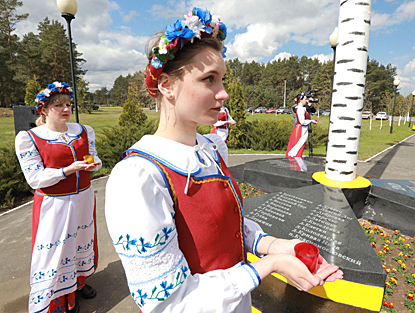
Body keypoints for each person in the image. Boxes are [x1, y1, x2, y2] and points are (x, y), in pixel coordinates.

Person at [105, 8, 342, 313]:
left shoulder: (208, 150)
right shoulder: (138, 177)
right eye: (209, 80)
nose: (224, 93)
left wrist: (277, 246)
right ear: (166, 85)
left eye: (222, 80)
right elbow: (167, 302)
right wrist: (268, 266)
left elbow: (227, 228)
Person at [15, 82, 102, 313]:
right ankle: (58, 298)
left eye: (68, 104)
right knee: (56, 250)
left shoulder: (83, 131)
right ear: (43, 110)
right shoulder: (29, 138)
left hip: (83, 198)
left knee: (81, 240)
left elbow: (92, 157)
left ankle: (78, 281)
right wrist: (67, 170)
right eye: (58, 105)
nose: (66, 109)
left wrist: (94, 164)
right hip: (54, 204)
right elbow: (34, 178)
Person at [286, 93, 318, 158]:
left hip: (304, 127)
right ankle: (295, 159)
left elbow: (313, 111)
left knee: (300, 145)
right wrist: (311, 121)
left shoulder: (303, 108)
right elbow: (302, 120)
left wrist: (310, 106)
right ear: (300, 100)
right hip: (300, 128)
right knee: (298, 144)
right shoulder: (297, 107)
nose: (306, 101)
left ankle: (296, 158)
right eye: (305, 99)